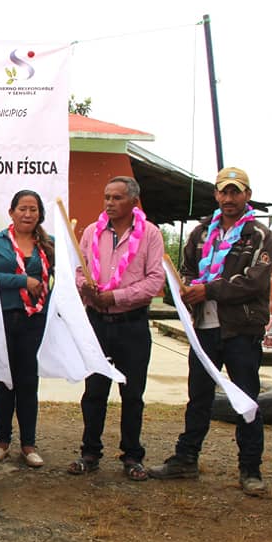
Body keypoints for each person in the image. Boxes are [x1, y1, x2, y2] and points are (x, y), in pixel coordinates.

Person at [149, 166, 272, 496]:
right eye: (224, 191)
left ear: (247, 195)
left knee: (246, 397)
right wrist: (187, 288)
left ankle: (250, 469)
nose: (229, 197)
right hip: (203, 327)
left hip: (241, 328)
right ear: (216, 194)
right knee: (198, 397)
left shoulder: (259, 235)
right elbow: (189, 269)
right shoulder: (202, 232)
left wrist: (209, 290)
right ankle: (186, 459)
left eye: (236, 191)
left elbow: (254, 281)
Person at [69, 176, 165, 481]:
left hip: (132, 324)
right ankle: (90, 452)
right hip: (96, 322)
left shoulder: (150, 234)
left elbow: (154, 281)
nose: (109, 203)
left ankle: (132, 456)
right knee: (94, 391)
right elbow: (78, 270)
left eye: (117, 198)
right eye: (107, 197)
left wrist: (117, 296)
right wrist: (87, 287)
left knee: (132, 393)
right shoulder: (91, 232)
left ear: (133, 202)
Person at [0, 190, 53, 467]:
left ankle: (29, 443)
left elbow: (58, 280)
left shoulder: (48, 245)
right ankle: (2, 441)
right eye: (22, 209)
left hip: (35, 321)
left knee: (28, 382)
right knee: (4, 381)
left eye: (33, 209)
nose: (28, 214)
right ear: (12, 212)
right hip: (3, 319)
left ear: (40, 214)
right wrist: (22, 281)